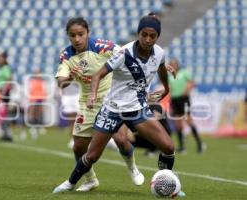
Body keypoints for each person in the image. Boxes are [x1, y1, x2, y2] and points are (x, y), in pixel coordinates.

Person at [53, 13, 184, 197]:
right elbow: (96, 75)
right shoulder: (123, 53)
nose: (147, 39)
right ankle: (71, 182)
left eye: (152, 36)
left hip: (136, 109)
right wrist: (88, 93)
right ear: (138, 34)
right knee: (90, 155)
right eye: (144, 35)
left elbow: (161, 67)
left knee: (168, 147)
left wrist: (166, 88)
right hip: (111, 108)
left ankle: (166, 184)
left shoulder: (158, 53)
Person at [54, 17, 144, 192]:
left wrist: (157, 67)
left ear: (88, 33)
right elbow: (61, 82)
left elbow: (129, 54)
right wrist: (70, 78)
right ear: (68, 36)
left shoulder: (104, 47)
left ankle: (132, 167)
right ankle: (90, 180)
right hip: (87, 104)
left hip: (113, 101)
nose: (77, 39)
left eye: (81, 34)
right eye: (72, 35)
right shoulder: (66, 55)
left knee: (120, 139)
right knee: (79, 146)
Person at [168, 58, 205, 153]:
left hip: (183, 99)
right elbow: (170, 88)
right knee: (178, 124)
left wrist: (187, 90)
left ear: (177, 65)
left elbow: (192, 83)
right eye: (170, 64)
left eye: (173, 64)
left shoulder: (184, 73)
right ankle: (182, 147)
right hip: (175, 100)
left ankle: (200, 144)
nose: (172, 65)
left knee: (188, 121)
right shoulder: (170, 76)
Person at [0, 51, 13, 142]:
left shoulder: (6, 68)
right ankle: (5, 133)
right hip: (0, 93)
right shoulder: (1, 68)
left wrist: (4, 90)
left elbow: (9, 79)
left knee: (4, 113)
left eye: (0, 58)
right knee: (2, 113)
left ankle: (7, 133)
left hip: (4, 93)